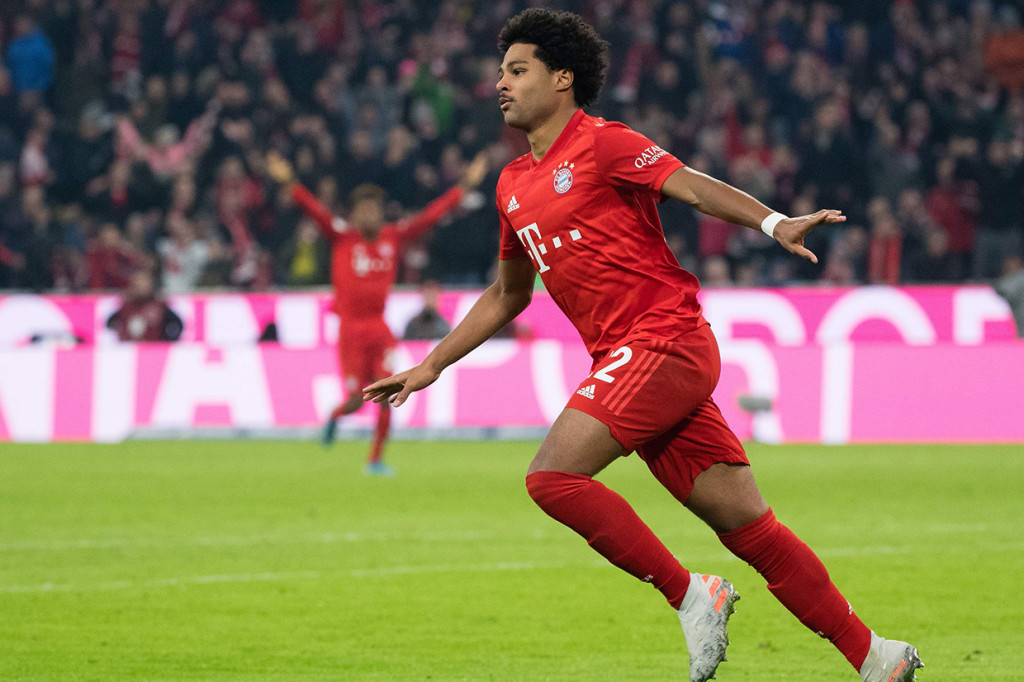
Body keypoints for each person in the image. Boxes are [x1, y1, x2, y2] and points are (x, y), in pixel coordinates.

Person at [365, 9, 922, 682]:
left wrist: (771, 223)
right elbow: (508, 295)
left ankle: (693, 594)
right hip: (632, 364)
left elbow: (690, 185)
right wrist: (431, 364)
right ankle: (875, 656)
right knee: (752, 531)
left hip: (665, 342)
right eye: (500, 72)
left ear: (562, 78)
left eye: (517, 70)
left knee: (551, 477)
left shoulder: (603, 144)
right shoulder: (512, 184)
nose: (500, 84)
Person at [267, 149, 488, 476]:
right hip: (350, 331)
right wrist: (289, 181)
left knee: (388, 393)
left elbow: (430, 216)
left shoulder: (393, 236)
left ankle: (374, 460)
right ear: (354, 213)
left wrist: (464, 187)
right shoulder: (342, 237)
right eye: (364, 208)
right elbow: (313, 210)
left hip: (379, 330)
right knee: (356, 400)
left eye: (375, 207)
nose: (370, 213)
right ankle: (335, 416)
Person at [106, 270, 183, 342]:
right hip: (129, 350)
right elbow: (110, 324)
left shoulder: (159, 306)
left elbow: (177, 324)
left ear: (150, 286)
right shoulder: (126, 306)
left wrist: (166, 342)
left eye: (144, 284)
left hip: (153, 350)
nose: (141, 288)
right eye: (137, 285)